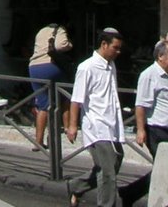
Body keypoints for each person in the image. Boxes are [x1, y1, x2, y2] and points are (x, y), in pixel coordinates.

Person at [65, 28, 126, 207]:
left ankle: (76, 186)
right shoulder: (86, 67)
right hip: (96, 125)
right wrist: (72, 126)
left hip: (112, 125)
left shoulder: (110, 65)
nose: (118, 52)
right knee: (108, 172)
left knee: (113, 164)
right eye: (115, 48)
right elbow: (76, 99)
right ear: (104, 45)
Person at [28, 20, 73, 146]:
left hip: (34, 68)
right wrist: (70, 45)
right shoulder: (59, 29)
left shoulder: (41, 31)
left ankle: (38, 141)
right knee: (66, 95)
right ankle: (67, 127)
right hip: (50, 66)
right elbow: (61, 45)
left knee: (43, 106)